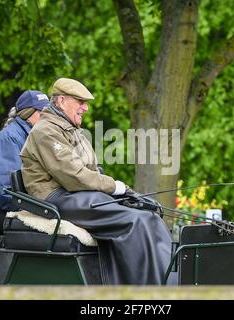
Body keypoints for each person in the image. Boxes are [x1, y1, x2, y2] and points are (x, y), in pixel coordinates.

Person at [20, 78, 172, 284]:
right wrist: (116, 187)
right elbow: (74, 176)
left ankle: (164, 282)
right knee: (134, 221)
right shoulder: (45, 131)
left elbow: (92, 170)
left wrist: (124, 193)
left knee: (150, 216)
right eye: (80, 101)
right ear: (62, 101)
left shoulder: (73, 130)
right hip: (57, 196)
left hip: (77, 194)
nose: (86, 107)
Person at [0, 90, 50, 232]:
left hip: (15, 203)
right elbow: (3, 189)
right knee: (45, 232)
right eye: (42, 113)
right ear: (28, 114)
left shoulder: (33, 136)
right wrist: (30, 210)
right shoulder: (8, 139)